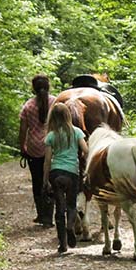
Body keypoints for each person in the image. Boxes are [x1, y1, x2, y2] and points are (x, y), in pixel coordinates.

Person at [42, 102, 89, 254]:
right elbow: (86, 150)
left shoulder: (51, 136)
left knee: (59, 208)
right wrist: (84, 165)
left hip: (56, 173)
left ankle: (62, 244)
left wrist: (45, 180)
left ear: (53, 118)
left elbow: (47, 161)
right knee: (71, 205)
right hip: (72, 173)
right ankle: (70, 226)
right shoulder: (77, 132)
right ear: (68, 115)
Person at [18, 74, 56, 227]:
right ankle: (50, 215)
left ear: (33, 88)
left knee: (37, 180)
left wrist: (22, 147)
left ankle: (41, 215)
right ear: (48, 86)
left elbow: (23, 129)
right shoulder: (56, 103)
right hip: (52, 146)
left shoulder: (28, 106)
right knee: (51, 180)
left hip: (34, 148)